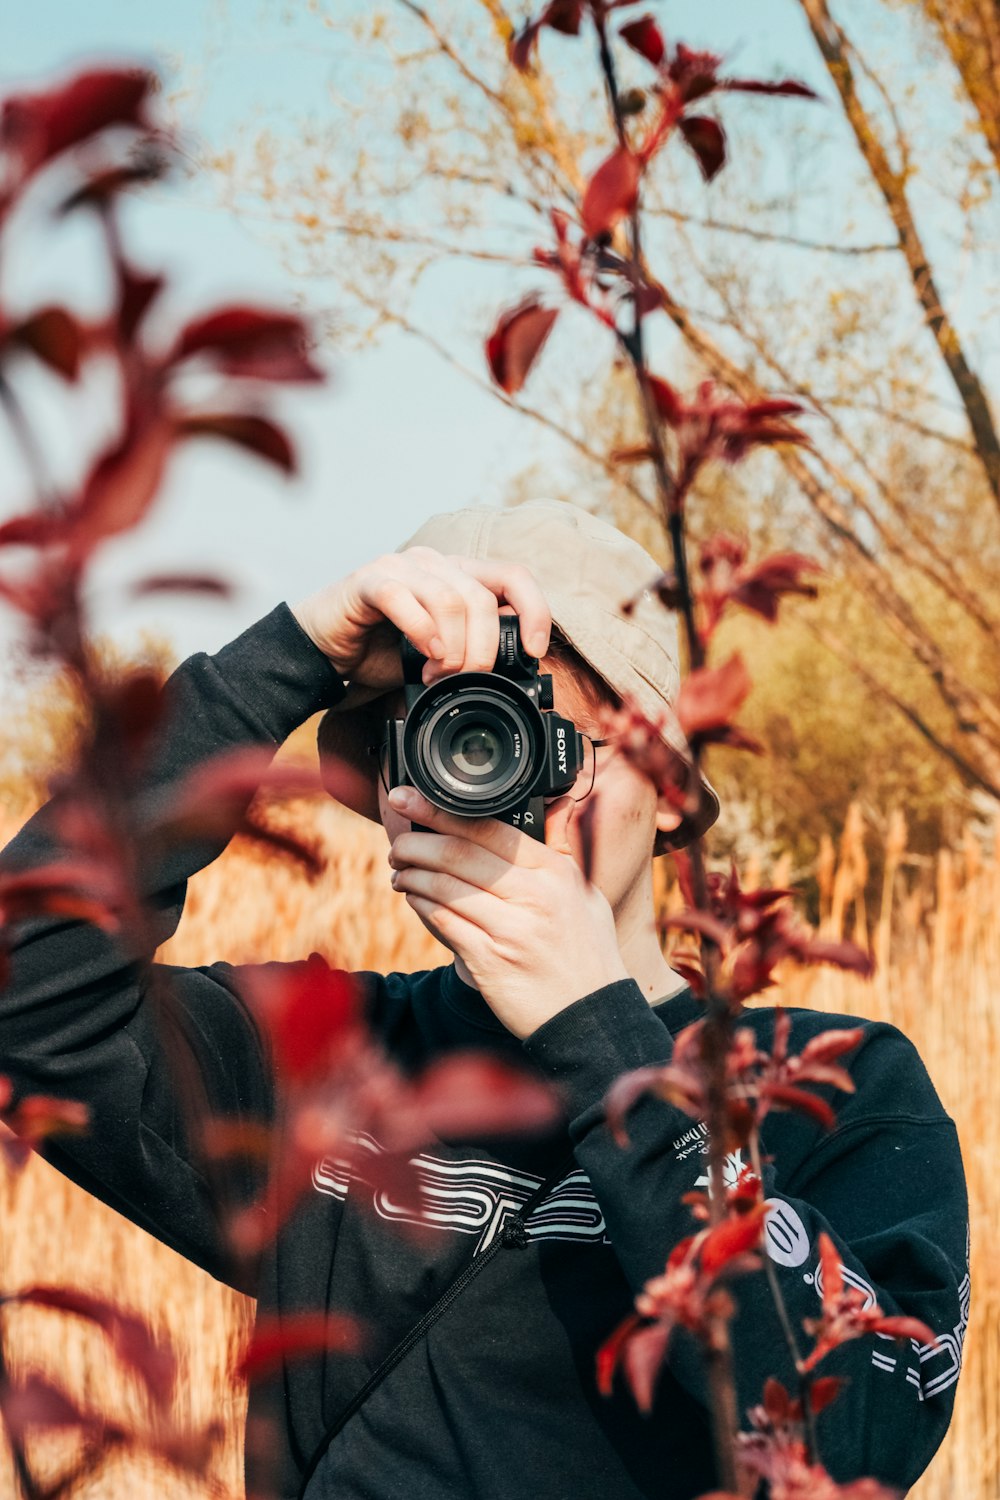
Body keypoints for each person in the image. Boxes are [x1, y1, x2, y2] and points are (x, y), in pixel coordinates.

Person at [0, 499, 969, 1499]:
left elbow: (861, 1432)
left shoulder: (836, 1088)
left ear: (672, 785)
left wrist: (600, 1036)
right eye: (438, 735)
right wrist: (291, 654)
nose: (494, 780)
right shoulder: (316, 1056)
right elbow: (25, 988)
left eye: (544, 737)